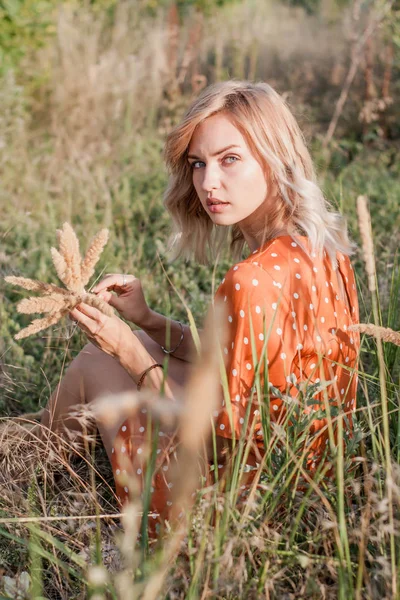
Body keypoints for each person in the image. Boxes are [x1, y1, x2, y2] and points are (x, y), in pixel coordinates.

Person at [40, 80, 360, 532]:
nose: (209, 183)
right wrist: (147, 321)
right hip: (308, 484)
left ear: (275, 159)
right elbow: (233, 364)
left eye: (230, 159)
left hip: (231, 510)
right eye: (198, 164)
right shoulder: (326, 251)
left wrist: (125, 353)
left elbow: (214, 446)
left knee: (101, 359)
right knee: (131, 342)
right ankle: (38, 447)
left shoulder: (251, 280)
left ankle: (29, 471)